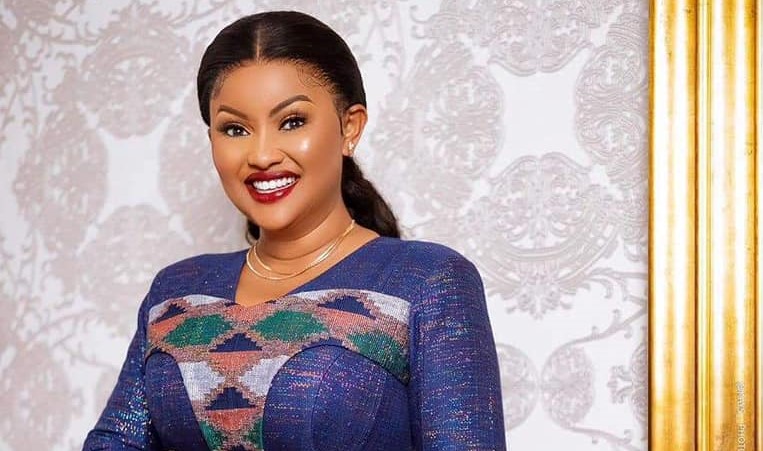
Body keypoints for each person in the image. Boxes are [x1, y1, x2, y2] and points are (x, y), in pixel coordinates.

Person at [83, 10, 505, 451]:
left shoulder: (427, 281)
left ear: (350, 126)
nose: (262, 154)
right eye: (235, 129)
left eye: (292, 122)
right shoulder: (174, 291)